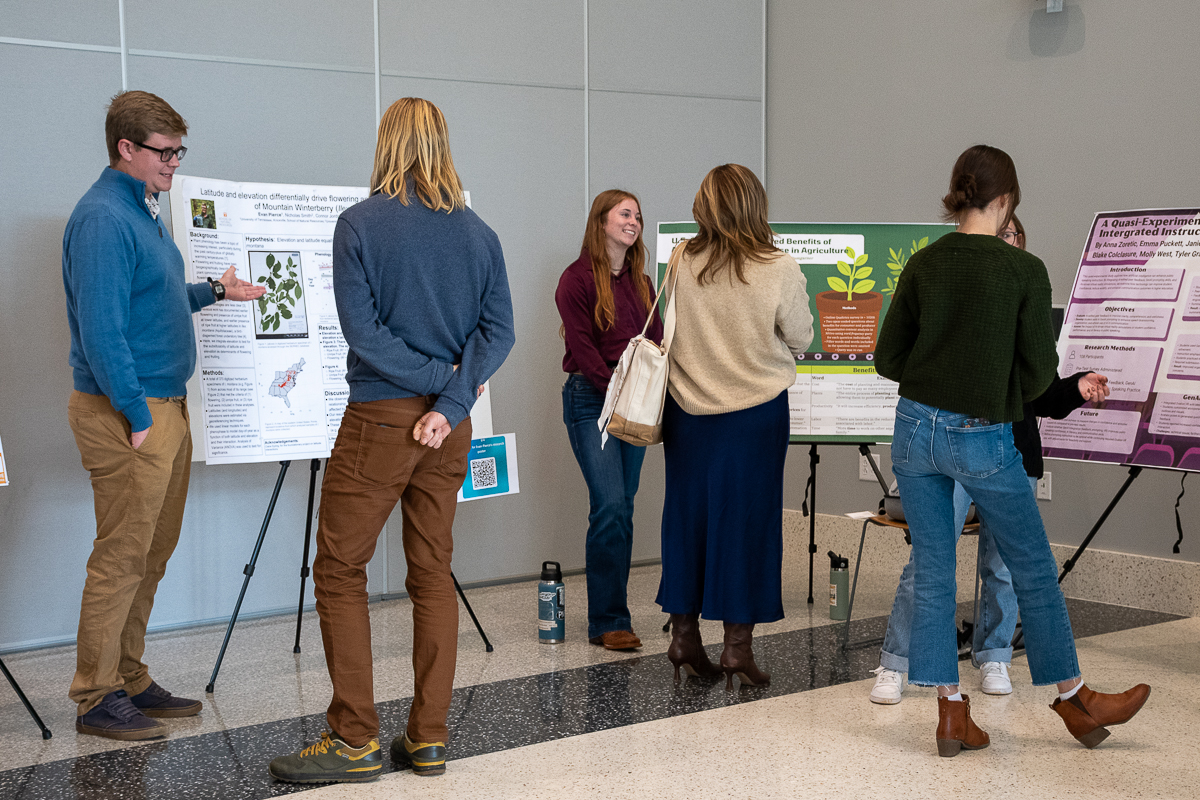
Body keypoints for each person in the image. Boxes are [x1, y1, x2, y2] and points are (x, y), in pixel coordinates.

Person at [269, 97, 514, 783]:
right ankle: (428, 739)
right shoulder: (479, 234)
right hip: (449, 426)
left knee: (341, 572)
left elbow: (364, 335)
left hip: (382, 420)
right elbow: (500, 332)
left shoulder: (359, 225)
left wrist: (437, 387)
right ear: (442, 142)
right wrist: (455, 395)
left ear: (386, 143)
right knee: (432, 574)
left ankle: (353, 740)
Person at [875, 144, 1149, 756]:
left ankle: (951, 713)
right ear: (1004, 202)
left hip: (914, 432)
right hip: (982, 436)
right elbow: (1033, 381)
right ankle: (1074, 697)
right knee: (1031, 568)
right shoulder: (1023, 271)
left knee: (935, 573)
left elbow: (888, 358)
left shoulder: (924, 264)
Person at [62, 90, 265, 740]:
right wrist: (133, 412)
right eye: (165, 151)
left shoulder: (140, 212)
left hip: (161, 408)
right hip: (131, 412)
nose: (174, 162)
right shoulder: (102, 218)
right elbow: (102, 328)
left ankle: (128, 677)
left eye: (180, 150)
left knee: (152, 552)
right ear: (126, 147)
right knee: (122, 555)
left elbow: (148, 301)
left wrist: (213, 292)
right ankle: (97, 697)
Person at [869, 215, 1111, 705]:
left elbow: (1037, 388)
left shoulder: (934, 266)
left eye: (1013, 236)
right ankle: (897, 663)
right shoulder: (969, 283)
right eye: (1000, 233)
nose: (1004, 243)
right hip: (973, 442)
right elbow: (1034, 376)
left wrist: (1076, 387)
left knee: (985, 566)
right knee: (959, 565)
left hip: (957, 436)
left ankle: (979, 673)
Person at [656, 164, 813, 687]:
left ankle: (683, 637)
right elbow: (802, 335)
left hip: (687, 415)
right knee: (745, 526)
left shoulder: (680, 260)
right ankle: (736, 650)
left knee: (686, 521)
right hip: (754, 417)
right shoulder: (778, 267)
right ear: (754, 205)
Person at [555, 190, 662, 652]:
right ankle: (608, 620)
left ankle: (612, 613)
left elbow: (655, 342)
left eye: (637, 215)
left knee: (623, 508)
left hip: (634, 404)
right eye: (625, 213)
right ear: (601, 221)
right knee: (611, 506)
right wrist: (618, 394)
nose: (634, 221)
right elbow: (583, 349)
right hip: (590, 400)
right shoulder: (575, 280)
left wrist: (648, 397)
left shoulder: (641, 282)